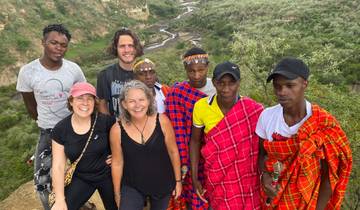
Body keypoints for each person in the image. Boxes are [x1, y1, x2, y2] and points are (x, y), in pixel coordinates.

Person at [256, 57, 352, 209]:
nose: (282, 92)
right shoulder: (267, 116)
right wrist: (265, 176)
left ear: (304, 84)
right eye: (277, 86)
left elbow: (328, 176)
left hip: (308, 201)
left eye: (289, 85)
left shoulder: (323, 124)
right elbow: (262, 154)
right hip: (273, 199)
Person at [16, 23, 86, 210]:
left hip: (76, 128)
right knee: (43, 179)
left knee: (84, 170)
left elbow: (83, 98)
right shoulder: (28, 72)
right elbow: (31, 108)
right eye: (53, 43)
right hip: (49, 132)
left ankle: (78, 202)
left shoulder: (74, 70)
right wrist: (48, 121)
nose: (59, 48)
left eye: (63, 45)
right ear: (43, 42)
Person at [190, 61, 263, 209]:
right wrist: (194, 175)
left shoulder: (254, 110)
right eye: (221, 83)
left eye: (232, 83)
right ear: (214, 83)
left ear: (239, 83)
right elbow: (195, 141)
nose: (226, 88)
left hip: (246, 178)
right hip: (217, 176)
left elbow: (262, 148)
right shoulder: (201, 107)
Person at [110, 80, 182, 209]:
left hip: (162, 182)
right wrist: (116, 193)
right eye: (131, 101)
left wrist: (178, 181)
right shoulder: (116, 130)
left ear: (149, 101)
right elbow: (117, 162)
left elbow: (173, 151)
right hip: (132, 185)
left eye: (141, 100)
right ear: (124, 104)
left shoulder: (162, 121)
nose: (137, 105)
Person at [51, 82, 117, 210]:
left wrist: (119, 156)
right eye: (80, 98)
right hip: (82, 177)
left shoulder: (105, 121)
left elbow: (128, 136)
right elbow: (58, 166)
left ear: (94, 102)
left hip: (107, 174)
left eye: (89, 98)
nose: (85, 103)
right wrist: (59, 199)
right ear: (71, 101)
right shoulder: (60, 129)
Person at [165, 47, 215, 209]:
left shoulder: (219, 88)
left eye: (201, 70)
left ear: (207, 67)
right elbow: (176, 130)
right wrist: (183, 160)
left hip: (214, 153)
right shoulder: (177, 93)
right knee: (194, 198)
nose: (196, 75)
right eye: (191, 71)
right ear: (185, 70)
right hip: (189, 155)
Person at [97, 28, 144, 116]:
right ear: (116, 48)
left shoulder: (147, 73)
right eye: (122, 46)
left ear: (136, 48)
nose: (127, 50)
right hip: (116, 127)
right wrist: (111, 125)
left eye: (131, 45)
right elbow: (102, 104)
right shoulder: (105, 75)